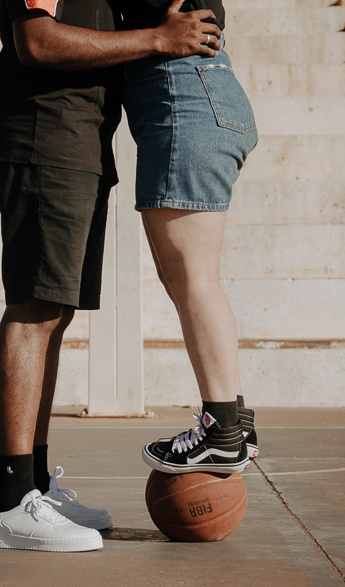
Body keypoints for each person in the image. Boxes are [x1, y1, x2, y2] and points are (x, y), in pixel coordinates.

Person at [0, 0, 223, 552]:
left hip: (80, 138)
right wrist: (159, 39)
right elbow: (37, 41)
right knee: (34, 307)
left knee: (54, 314)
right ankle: (10, 498)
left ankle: (35, 482)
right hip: (42, 131)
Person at [116, 0, 260, 475]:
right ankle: (233, 420)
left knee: (195, 279)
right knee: (190, 279)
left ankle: (221, 431)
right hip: (200, 90)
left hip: (182, 94)